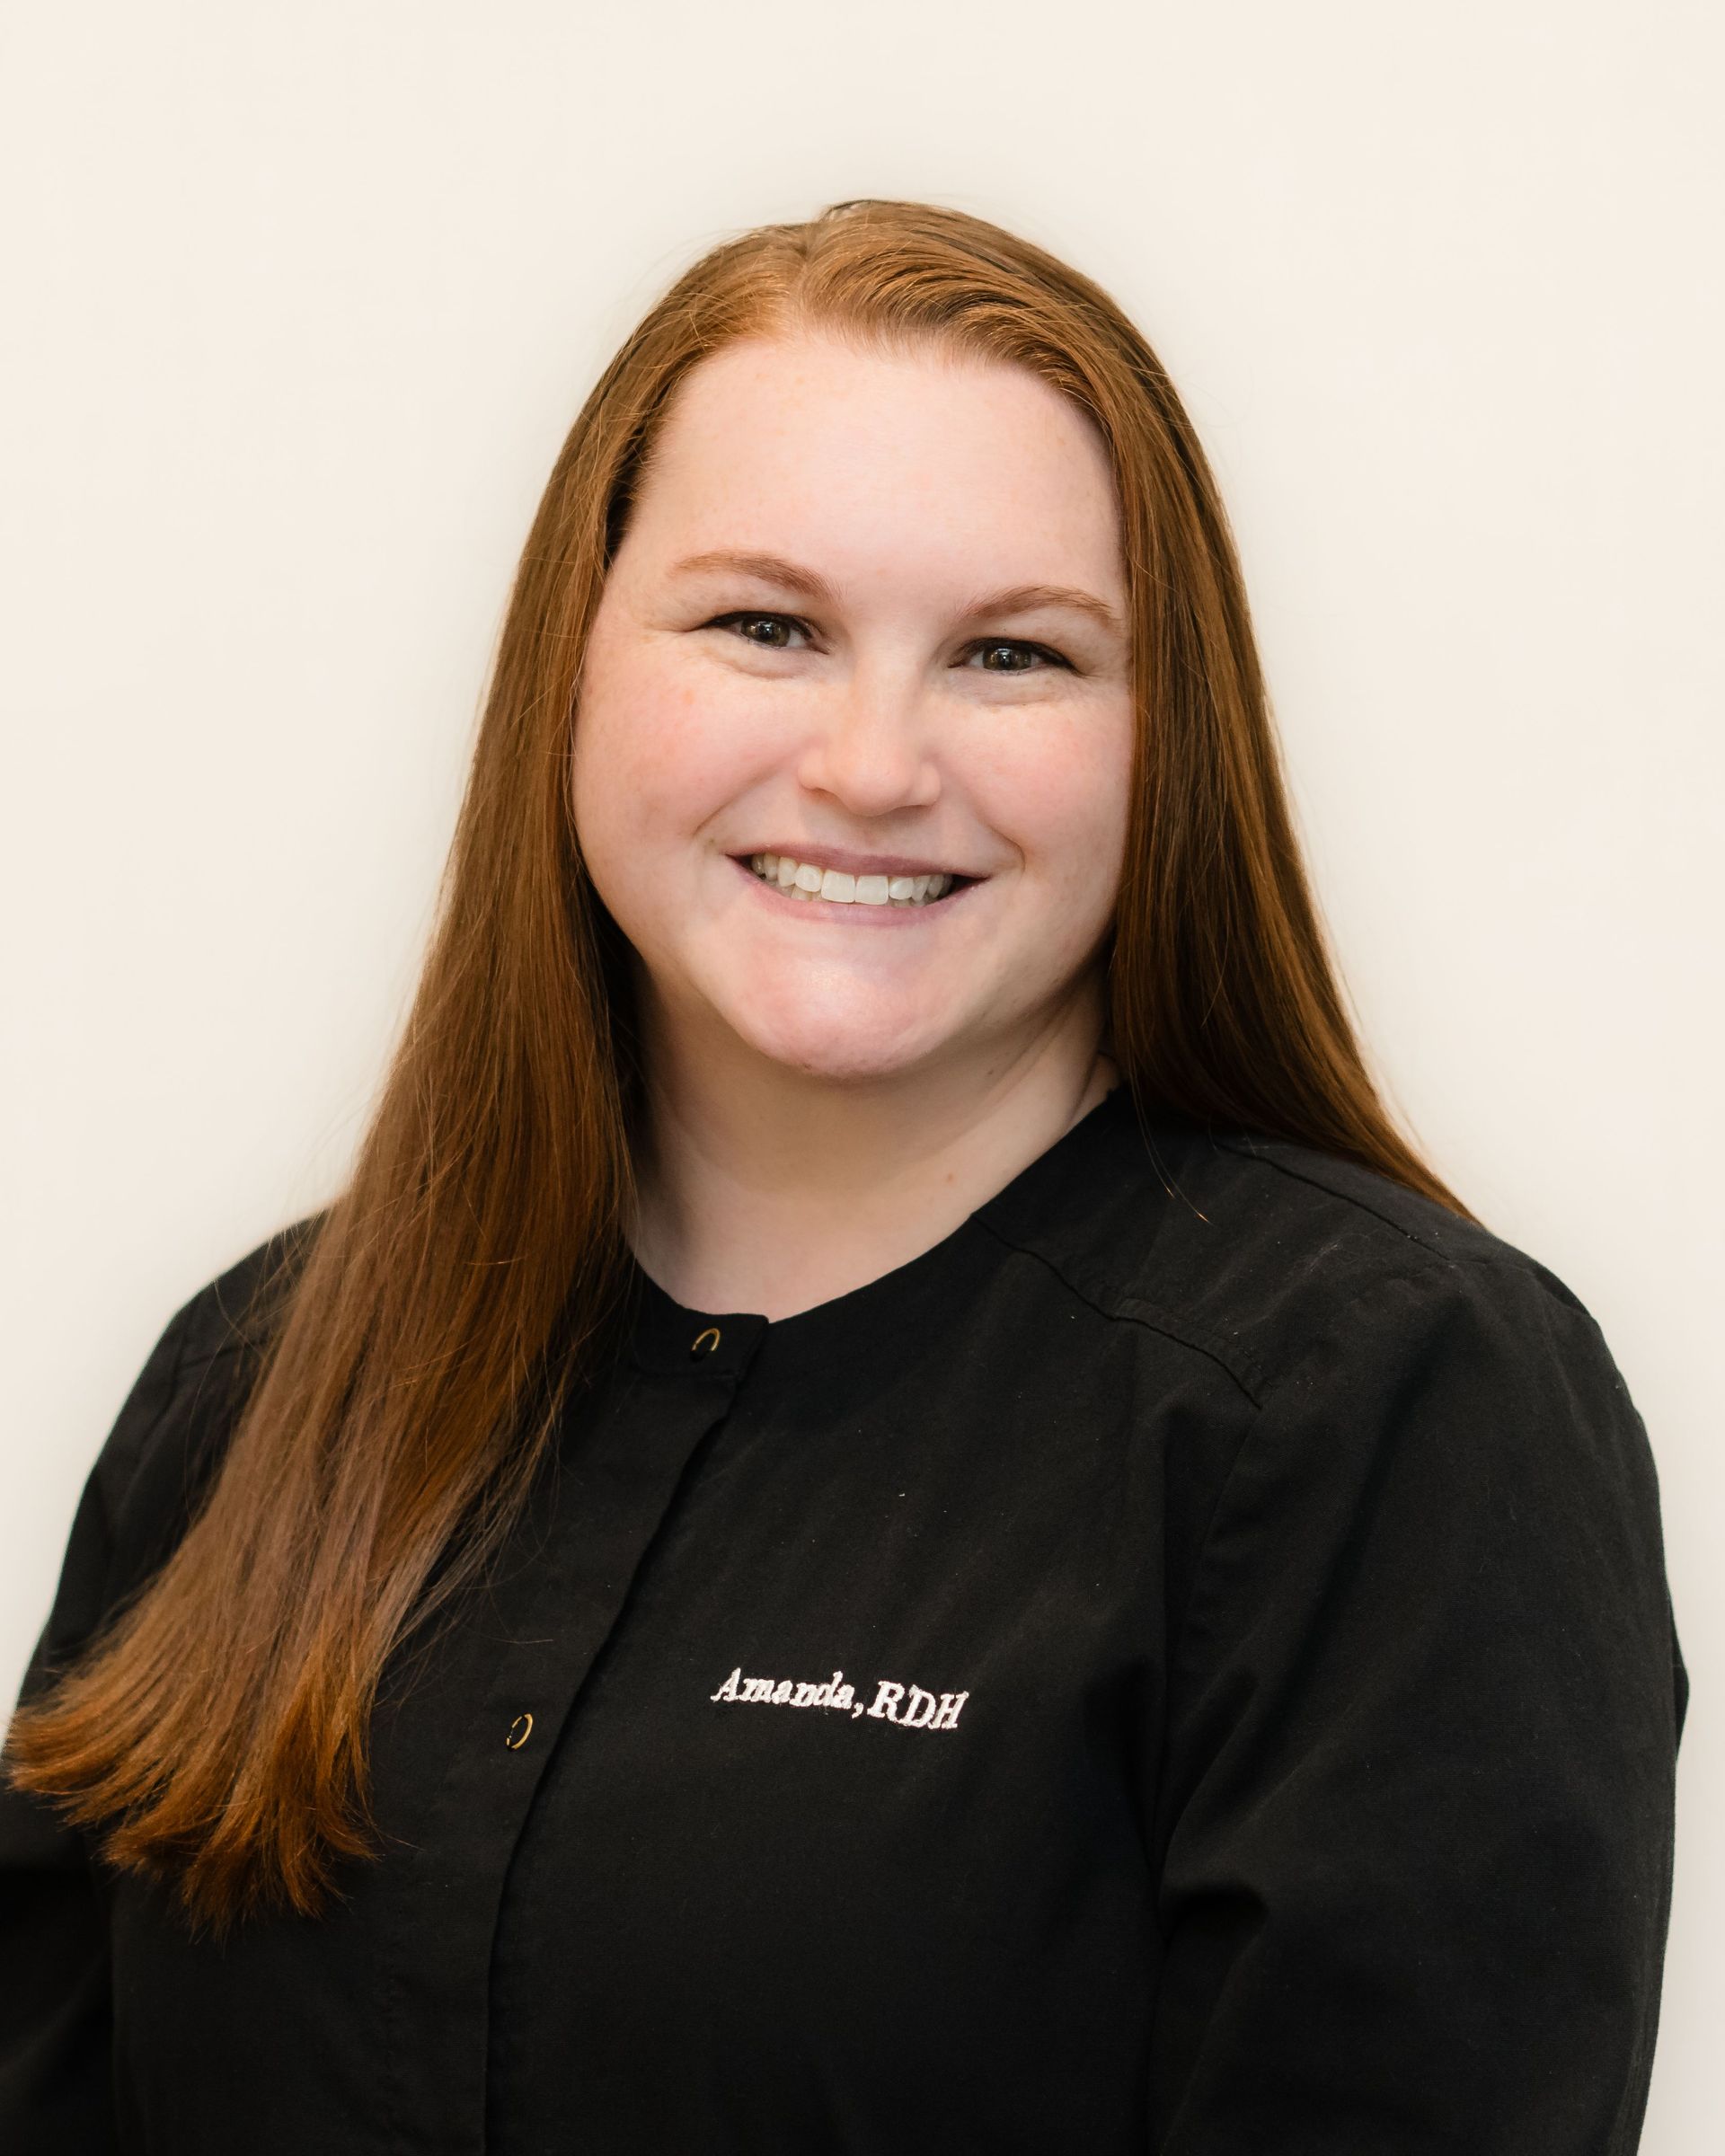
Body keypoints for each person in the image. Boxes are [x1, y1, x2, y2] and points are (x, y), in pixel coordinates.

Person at [0, 198, 1685, 2154]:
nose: (875, 765)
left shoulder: (1388, 1414)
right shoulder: (263, 1378)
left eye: (1013, 655)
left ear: (1165, 745)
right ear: (576, 662)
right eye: (765, 626)